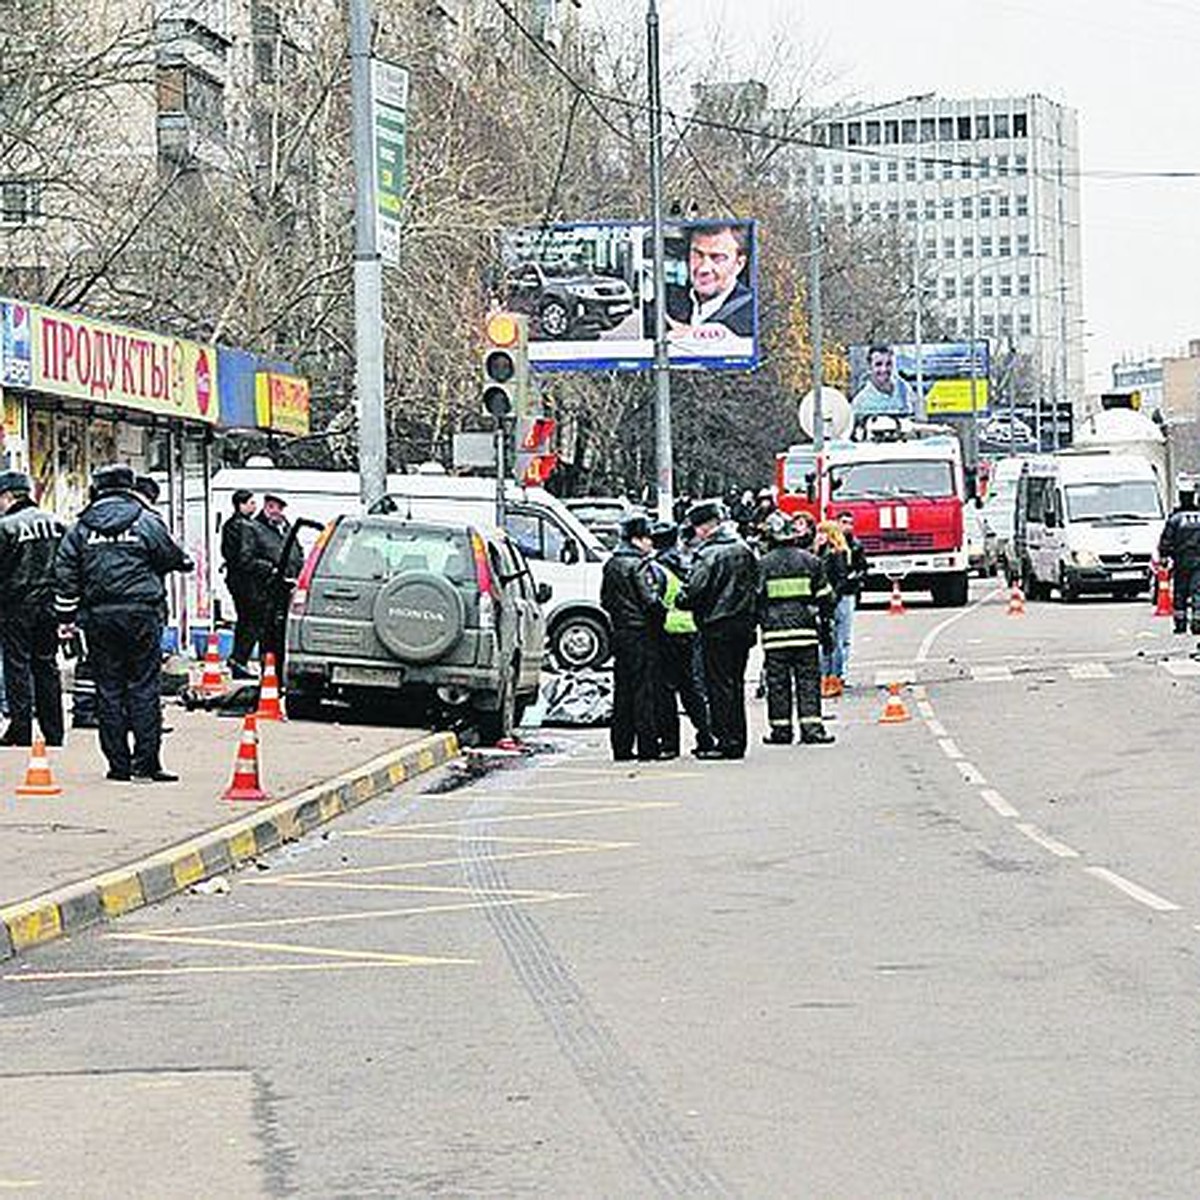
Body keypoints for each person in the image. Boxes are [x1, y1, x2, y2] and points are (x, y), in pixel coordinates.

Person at [54, 464, 191, 783]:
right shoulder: (147, 521)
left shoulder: (81, 528)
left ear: (98, 488)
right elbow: (175, 558)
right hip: (142, 615)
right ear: (130, 487)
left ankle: (118, 765)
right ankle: (147, 763)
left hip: (99, 618)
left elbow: (65, 575)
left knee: (109, 688)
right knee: (144, 686)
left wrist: (65, 618)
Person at [680, 499, 759, 760]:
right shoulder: (743, 549)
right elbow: (758, 586)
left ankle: (726, 741)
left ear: (704, 528)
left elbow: (694, 591)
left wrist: (682, 599)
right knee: (735, 683)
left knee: (719, 685)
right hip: (743, 625)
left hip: (717, 626)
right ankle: (738, 738)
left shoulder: (709, 554)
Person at [757, 511, 836, 746]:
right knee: (808, 681)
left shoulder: (762, 565)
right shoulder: (811, 561)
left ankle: (781, 731)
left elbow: (755, 599)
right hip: (805, 633)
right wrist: (825, 626)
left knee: (778, 684)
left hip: (774, 636)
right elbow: (826, 598)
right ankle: (811, 729)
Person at [0, 470, 65, 747]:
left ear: (7, 496)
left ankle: (21, 729)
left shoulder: (5, 526)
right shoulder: (57, 524)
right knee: (47, 665)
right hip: (49, 606)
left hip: (15, 606)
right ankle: (54, 731)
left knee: (17, 667)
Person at [599, 512, 664, 761]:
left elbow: (605, 599)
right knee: (643, 691)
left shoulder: (612, 564)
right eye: (648, 538)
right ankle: (648, 746)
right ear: (637, 540)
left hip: (620, 632)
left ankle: (621, 746)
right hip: (641, 633)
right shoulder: (639, 565)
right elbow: (650, 600)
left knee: (622, 691)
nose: (651, 543)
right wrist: (661, 616)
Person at [651, 520, 713, 758]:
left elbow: (654, 602)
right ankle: (706, 736)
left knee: (666, 691)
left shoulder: (657, 568)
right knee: (692, 689)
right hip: (691, 630)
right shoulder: (689, 562)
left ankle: (669, 743)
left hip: (667, 632)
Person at [246, 493, 305, 666]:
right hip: (267, 588)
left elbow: (297, 552)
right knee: (268, 630)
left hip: (289, 586)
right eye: (272, 507)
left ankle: (279, 666)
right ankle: (268, 667)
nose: (276, 512)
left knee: (283, 630)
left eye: (279, 508)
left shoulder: (287, 528)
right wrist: (271, 570)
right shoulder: (255, 528)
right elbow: (248, 558)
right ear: (265, 507)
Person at [666, 223, 754, 339]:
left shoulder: (752, 312)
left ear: (739, 264)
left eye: (717, 258)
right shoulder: (667, 303)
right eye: (697, 255)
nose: (703, 268)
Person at [221, 489, 261, 677]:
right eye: (251, 503)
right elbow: (242, 557)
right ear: (241, 505)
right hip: (244, 581)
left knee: (247, 620)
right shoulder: (240, 526)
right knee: (250, 620)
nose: (255, 507)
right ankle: (239, 659)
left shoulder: (233, 524)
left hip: (238, 579)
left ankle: (239, 660)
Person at [1158, 484, 1200, 635]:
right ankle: (1197, 620)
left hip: (1181, 560)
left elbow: (1166, 541)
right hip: (1198, 562)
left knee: (1180, 593)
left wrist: (1164, 556)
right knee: (1197, 591)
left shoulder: (1175, 519)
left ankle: (1180, 624)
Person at [851, 343, 915, 427]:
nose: (884, 369)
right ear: (870, 366)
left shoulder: (905, 389)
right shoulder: (860, 402)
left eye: (888, 364)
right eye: (878, 364)